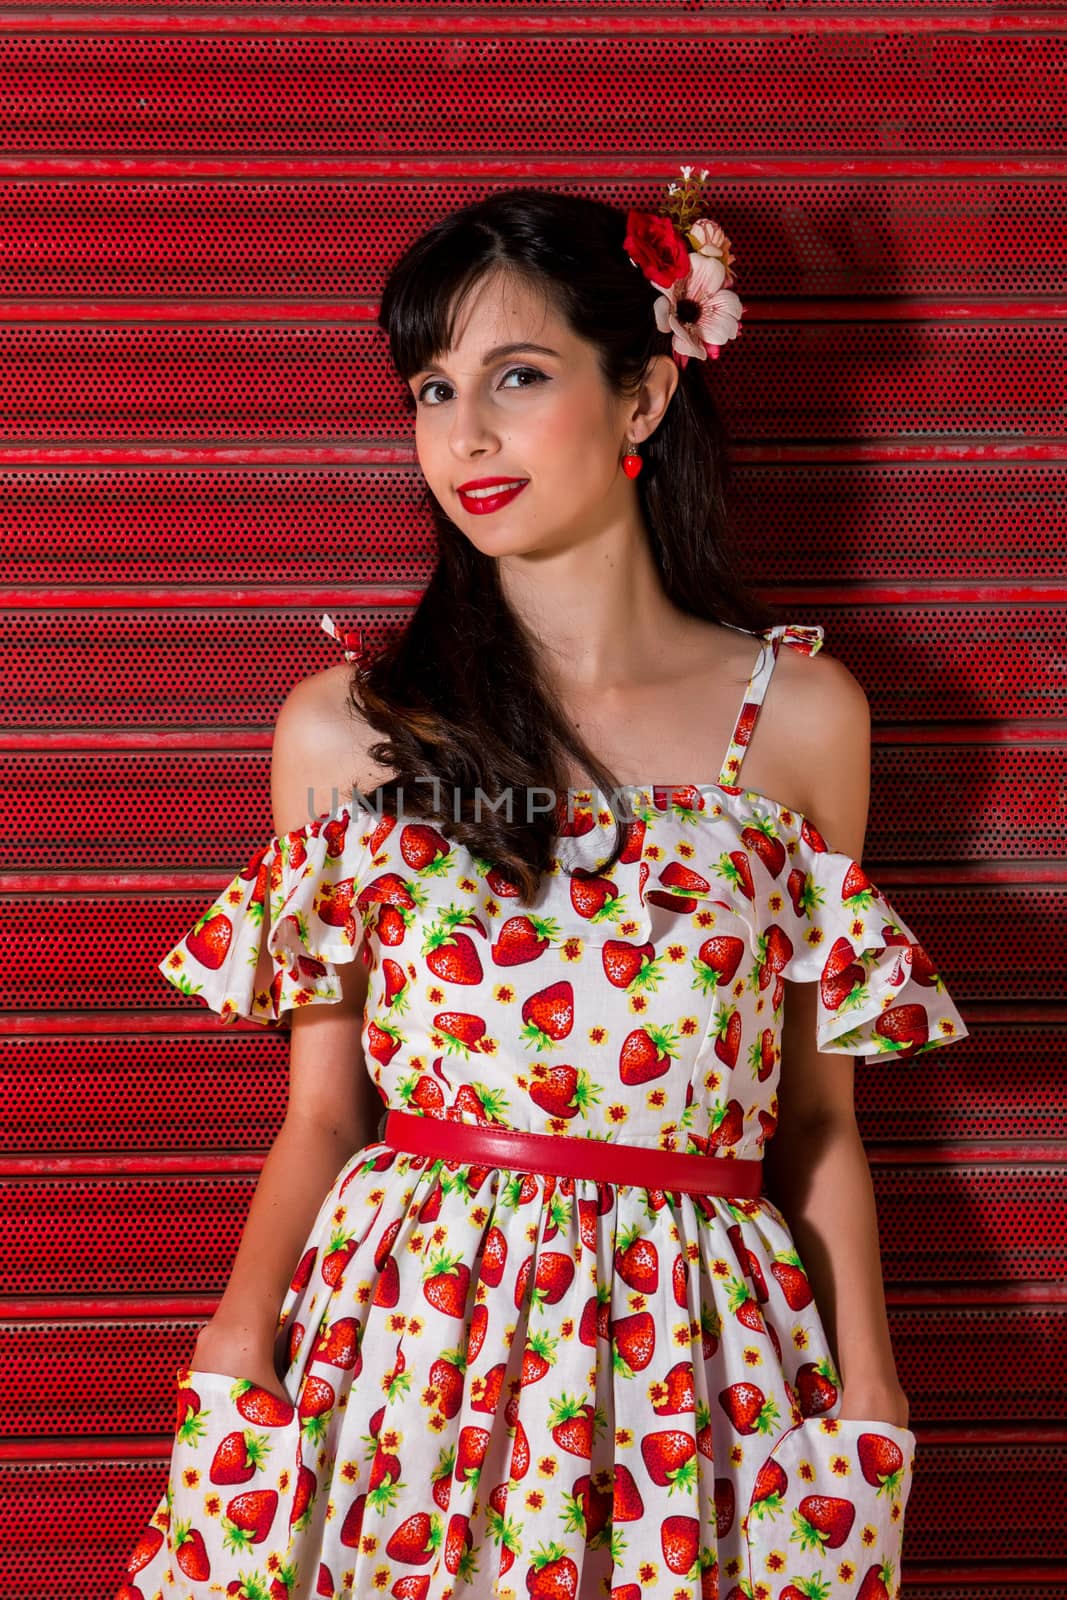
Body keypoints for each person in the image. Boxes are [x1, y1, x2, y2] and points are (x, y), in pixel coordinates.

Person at [116, 171, 968, 1600]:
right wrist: (234, 1338)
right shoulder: (348, 729)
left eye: (518, 375)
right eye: (431, 389)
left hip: (705, 1368)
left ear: (643, 395)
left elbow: (820, 1121)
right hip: (407, 1350)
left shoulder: (806, 719)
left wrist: (868, 1392)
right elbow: (325, 1113)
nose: (467, 435)